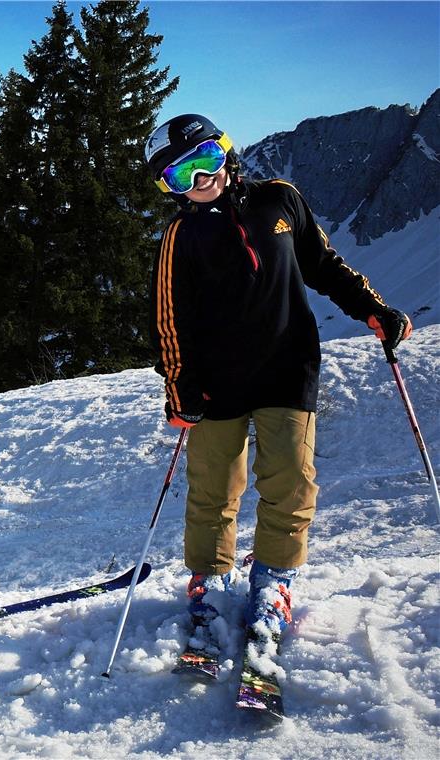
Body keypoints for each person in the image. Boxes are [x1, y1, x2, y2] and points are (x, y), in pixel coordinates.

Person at [144, 114, 413, 640]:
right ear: (170, 190)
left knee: (290, 480)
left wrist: (373, 310)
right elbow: (169, 318)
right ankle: (211, 580)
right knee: (214, 489)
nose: (203, 181)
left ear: (227, 152)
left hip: (288, 368)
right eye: (183, 177)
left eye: (207, 161)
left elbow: (325, 264)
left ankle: (273, 580)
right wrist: (180, 387)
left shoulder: (280, 200)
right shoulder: (181, 235)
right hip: (216, 383)